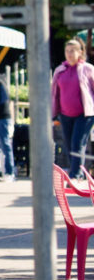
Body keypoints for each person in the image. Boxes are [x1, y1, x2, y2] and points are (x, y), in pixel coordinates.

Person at [51, 39, 94, 178]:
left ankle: (76, 174)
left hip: (85, 114)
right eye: (67, 51)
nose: (69, 54)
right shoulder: (59, 70)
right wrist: (54, 113)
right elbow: (54, 94)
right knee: (69, 145)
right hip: (65, 114)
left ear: (80, 52)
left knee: (77, 143)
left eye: (73, 51)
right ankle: (75, 172)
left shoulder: (88, 69)